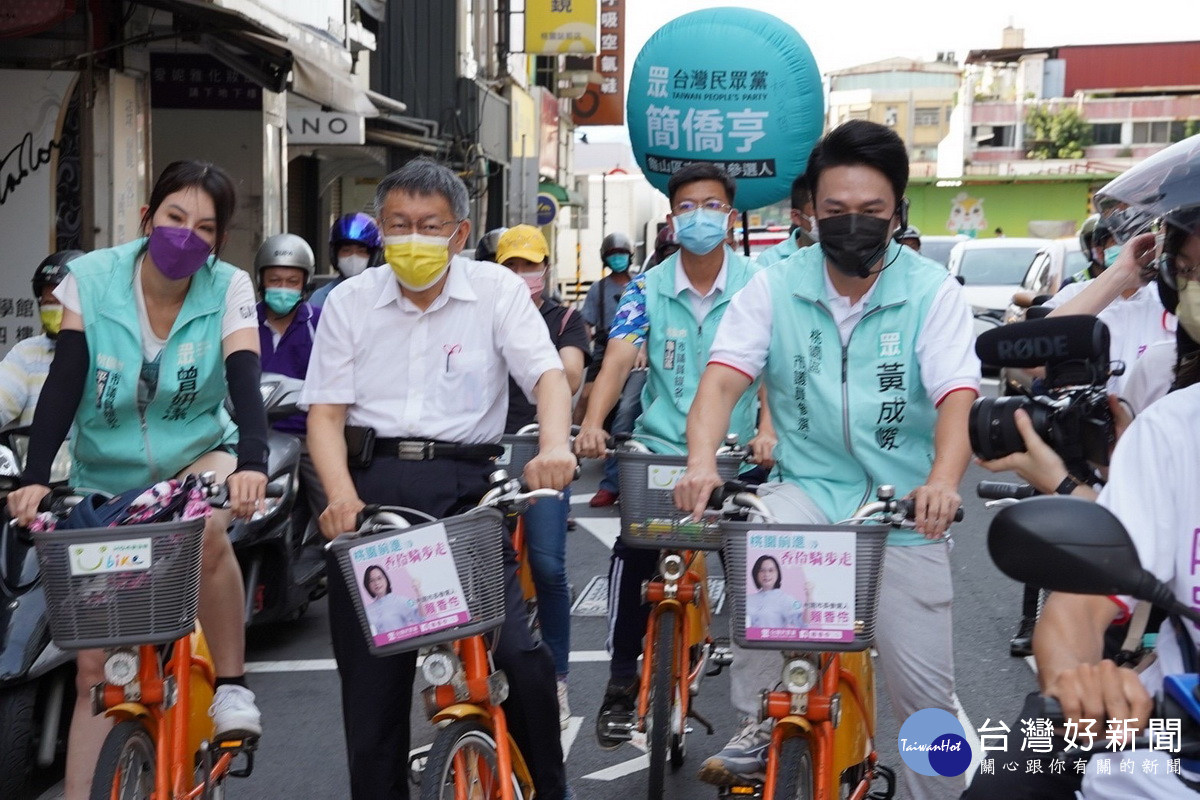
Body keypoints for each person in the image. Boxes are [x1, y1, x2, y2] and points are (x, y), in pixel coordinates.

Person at [674, 120, 980, 799]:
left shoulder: (932, 293)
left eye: (871, 212)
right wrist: (700, 462)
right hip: (807, 489)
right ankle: (758, 723)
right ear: (810, 211)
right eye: (835, 211)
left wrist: (942, 482)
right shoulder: (774, 286)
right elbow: (722, 381)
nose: (852, 225)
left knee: (926, 700)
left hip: (903, 509)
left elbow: (957, 398)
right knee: (755, 536)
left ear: (898, 211)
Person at [303, 157, 576, 800]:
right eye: (397, 224)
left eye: (429, 225)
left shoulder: (497, 291)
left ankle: (552, 789)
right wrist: (341, 496)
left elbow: (547, 377)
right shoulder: (350, 300)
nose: (412, 238)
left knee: (517, 656)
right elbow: (325, 414)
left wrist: (557, 447)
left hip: (466, 492)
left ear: (459, 232)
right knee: (373, 695)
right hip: (372, 492)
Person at [6, 160, 267, 800]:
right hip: (106, 477)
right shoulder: (89, 280)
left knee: (205, 524)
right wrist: (36, 478)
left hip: (199, 456)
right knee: (96, 669)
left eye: (205, 227)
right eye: (174, 218)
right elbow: (64, 383)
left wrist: (254, 465)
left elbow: (243, 381)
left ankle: (231, 687)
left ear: (219, 241)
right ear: (148, 218)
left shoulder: (229, 287)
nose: (187, 234)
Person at [574, 161, 771, 748]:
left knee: (761, 571)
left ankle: (759, 710)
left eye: (711, 206)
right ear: (671, 220)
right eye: (687, 207)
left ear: (729, 216)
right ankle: (617, 683)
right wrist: (591, 423)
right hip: (661, 451)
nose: (700, 216)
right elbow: (616, 359)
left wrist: (768, 428)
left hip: (740, 455)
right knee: (633, 552)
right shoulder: (647, 288)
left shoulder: (761, 285)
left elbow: (779, 370)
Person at [495, 223, 590, 727]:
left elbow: (571, 375)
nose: (521, 276)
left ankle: (557, 680)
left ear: (546, 269)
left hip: (543, 450)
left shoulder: (566, 319)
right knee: (476, 569)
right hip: (488, 453)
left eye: (530, 266)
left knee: (550, 567)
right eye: (511, 266)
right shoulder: (481, 315)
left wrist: (537, 357)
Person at [1044, 214, 1175, 399]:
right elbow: (1040, 349)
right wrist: (1122, 274)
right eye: (1121, 239)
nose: (1130, 245)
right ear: (1099, 250)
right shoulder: (1084, 297)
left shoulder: (1162, 301)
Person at [254, 232, 327, 537]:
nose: (282, 288)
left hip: (307, 435)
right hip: (252, 435)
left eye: (291, 282)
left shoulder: (321, 322)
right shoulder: (242, 322)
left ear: (305, 284)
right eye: (275, 280)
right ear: (261, 281)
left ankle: (333, 566)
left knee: (333, 507)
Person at [579, 230, 637, 506]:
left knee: (628, 414)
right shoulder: (599, 289)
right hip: (605, 355)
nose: (618, 259)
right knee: (589, 402)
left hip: (639, 359)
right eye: (613, 255)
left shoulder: (641, 285)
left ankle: (626, 483)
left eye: (622, 254)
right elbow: (586, 326)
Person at [0, 250, 84, 428]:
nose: (56, 309)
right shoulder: (26, 354)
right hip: (36, 455)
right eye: (48, 303)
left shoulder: (108, 351)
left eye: (64, 302)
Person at [309, 212, 382, 308]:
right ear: (334, 254)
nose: (353, 257)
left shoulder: (385, 296)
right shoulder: (320, 299)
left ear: (373, 256)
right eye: (346, 250)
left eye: (361, 251)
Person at [755, 173, 817, 267]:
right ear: (796, 216)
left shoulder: (844, 257)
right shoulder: (770, 261)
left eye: (836, 210)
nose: (829, 217)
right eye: (818, 208)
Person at [746, 555, 805, 629]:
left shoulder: (786, 599)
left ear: (778, 574)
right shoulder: (748, 599)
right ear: (756, 574)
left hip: (773, 640)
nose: (766, 574)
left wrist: (809, 598)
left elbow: (802, 623)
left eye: (771, 570)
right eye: (762, 570)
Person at [362, 565, 423, 635]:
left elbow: (421, 618)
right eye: (371, 580)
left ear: (386, 579)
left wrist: (418, 593)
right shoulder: (367, 610)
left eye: (379, 578)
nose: (376, 583)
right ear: (367, 585)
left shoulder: (402, 600)